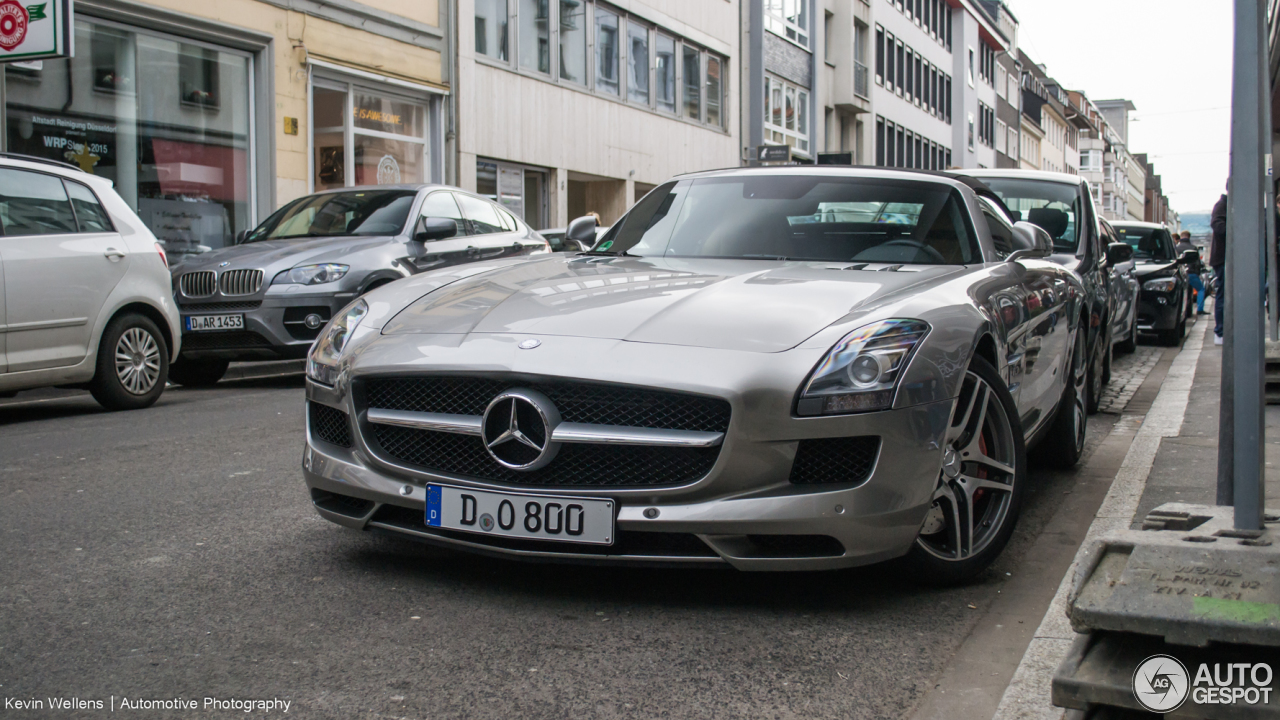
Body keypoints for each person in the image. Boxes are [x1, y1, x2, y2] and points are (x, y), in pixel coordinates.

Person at [1210, 189, 1228, 345]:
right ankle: (1220, 332)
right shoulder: (1222, 205)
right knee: (1224, 293)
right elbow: (1217, 225)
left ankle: (1222, 331)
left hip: (1226, 258)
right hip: (1224, 258)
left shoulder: (1227, 204)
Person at [1175, 230, 1208, 315]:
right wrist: (1198, 271)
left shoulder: (1176, 248)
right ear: (1189, 237)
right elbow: (1197, 262)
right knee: (1200, 289)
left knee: (1183, 292)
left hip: (1180, 273)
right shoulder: (1193, 248)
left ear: (1181, 237)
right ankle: (1200, 309)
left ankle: (1182, 310)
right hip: (1191, 273)